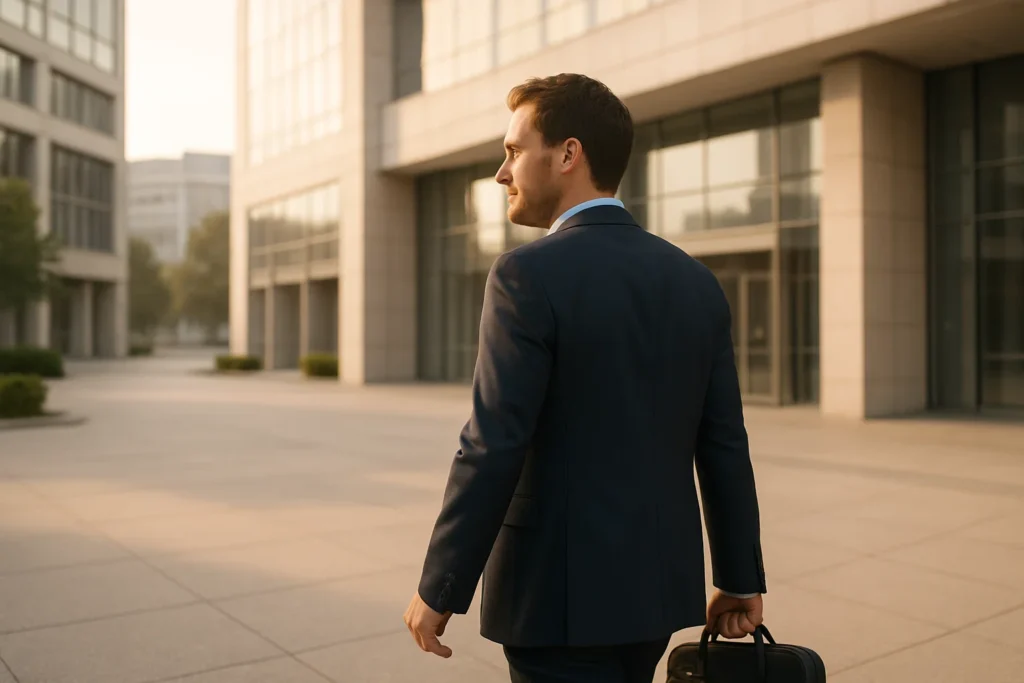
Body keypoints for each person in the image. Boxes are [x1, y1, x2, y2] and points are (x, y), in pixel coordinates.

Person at [404, 73, 766, 683]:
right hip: (654, 596)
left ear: (569, 154)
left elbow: (493, 443)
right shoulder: (694, 282)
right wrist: (739, 577)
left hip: (555, 599)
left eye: (514, 151)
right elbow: (724, 442)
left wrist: (440, 586)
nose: (501, 172)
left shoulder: (525, 275)